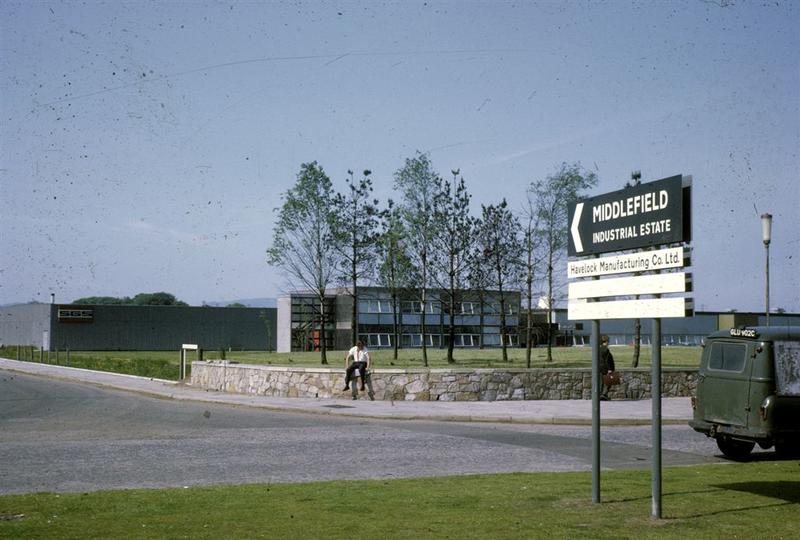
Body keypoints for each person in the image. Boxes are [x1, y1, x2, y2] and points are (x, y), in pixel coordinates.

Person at [599, 334, 616, 401]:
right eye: (608, 341)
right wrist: (609, 369)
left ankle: (601, 395)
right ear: (606, 341)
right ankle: (604, 395)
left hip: (600, 368)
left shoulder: (599, 349)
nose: (608, 342)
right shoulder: (606, 350)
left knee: (602, 383)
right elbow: (607, 360)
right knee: (608, 382)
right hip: (606, 369)